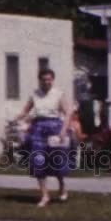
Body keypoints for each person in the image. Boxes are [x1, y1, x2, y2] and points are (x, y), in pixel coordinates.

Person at [14, 68, 73, 207]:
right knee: (38, 161)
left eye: (49, 79)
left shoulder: (58, 94)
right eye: (44, 79)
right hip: (38, 129)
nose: (47, 82)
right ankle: (44, 195)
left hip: (55, 128)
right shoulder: (34, 94)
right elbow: (25, 110)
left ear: (53, 80)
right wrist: (17, 117)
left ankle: (62, 185)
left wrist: (63, 131)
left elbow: (68, 113)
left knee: (57, 161)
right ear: (40, 80)